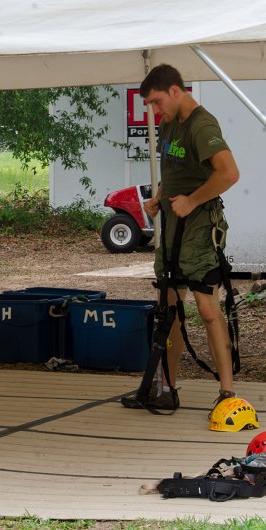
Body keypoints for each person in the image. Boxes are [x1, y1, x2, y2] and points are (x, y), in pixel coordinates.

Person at [121, 64, 240, 412]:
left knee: (206, 308)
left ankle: (227, 394)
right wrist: (160, 196)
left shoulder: (202, 125)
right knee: (168, 307)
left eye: (157, 102)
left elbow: (230, 173)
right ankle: (168, 388)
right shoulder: (167, 123)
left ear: (175, 90)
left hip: (200, 227)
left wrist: (192, 200)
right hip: (173, 226)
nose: (155, 111)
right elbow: (173, 171)